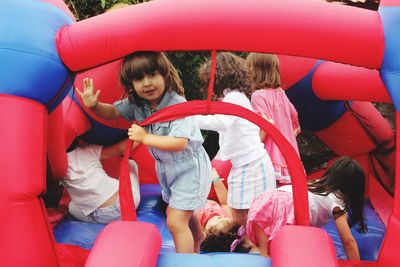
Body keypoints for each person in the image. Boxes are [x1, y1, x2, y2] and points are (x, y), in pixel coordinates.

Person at [75, 51, 212, 253]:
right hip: (167, 169)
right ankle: (198, 236)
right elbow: (113, 113)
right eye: (139, 79)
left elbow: (180, 142)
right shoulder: (139, 104)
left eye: (152, 75)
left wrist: (145, 138)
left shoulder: (178, 105)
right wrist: (95, 106)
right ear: (131, 83)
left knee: (175, 221)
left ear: (165, 75)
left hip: (190, 169)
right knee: (183, 209)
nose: (147, 83)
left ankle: (186, 261)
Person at [194, 52, 276, 227]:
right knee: (237, 208)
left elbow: (222, 123)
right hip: (245, 163)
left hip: (251, 164)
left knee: (245, 210)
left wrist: (191, 120)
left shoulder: (234, 98)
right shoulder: (235, 97)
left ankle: (251, 240)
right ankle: (245, 238)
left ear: (218, 80)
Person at [246, 156, 367, 260]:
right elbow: (348, 242)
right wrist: (356, 264)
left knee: (266, 251)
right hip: (290, 206)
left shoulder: (316, 184)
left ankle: (260, 256)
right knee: (283, 252)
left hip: (269, 199)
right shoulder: (336, 201)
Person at [246, 53, 301, 185]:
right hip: (289, 153)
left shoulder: (258, 96)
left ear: (255, 70)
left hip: (271, 155)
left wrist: (252, 145)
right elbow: (294, 116)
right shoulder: (281, 93)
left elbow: (265, 126)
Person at [62, 138, 141, 224]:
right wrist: (141, 136)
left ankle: (100, 220)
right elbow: (119, 149)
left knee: (71, 206)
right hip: (127, 203)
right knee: (131, 164)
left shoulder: (57, 163)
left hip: (101, 215)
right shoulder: (88, 149)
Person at [193, 168, 255, 253]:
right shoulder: (226, 215)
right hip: (208, 190)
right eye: (224, 219)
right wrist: (216, 179)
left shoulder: (198, 219)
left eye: (218, 222)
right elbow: (225, 202)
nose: (221, 217)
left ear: (205, 230)